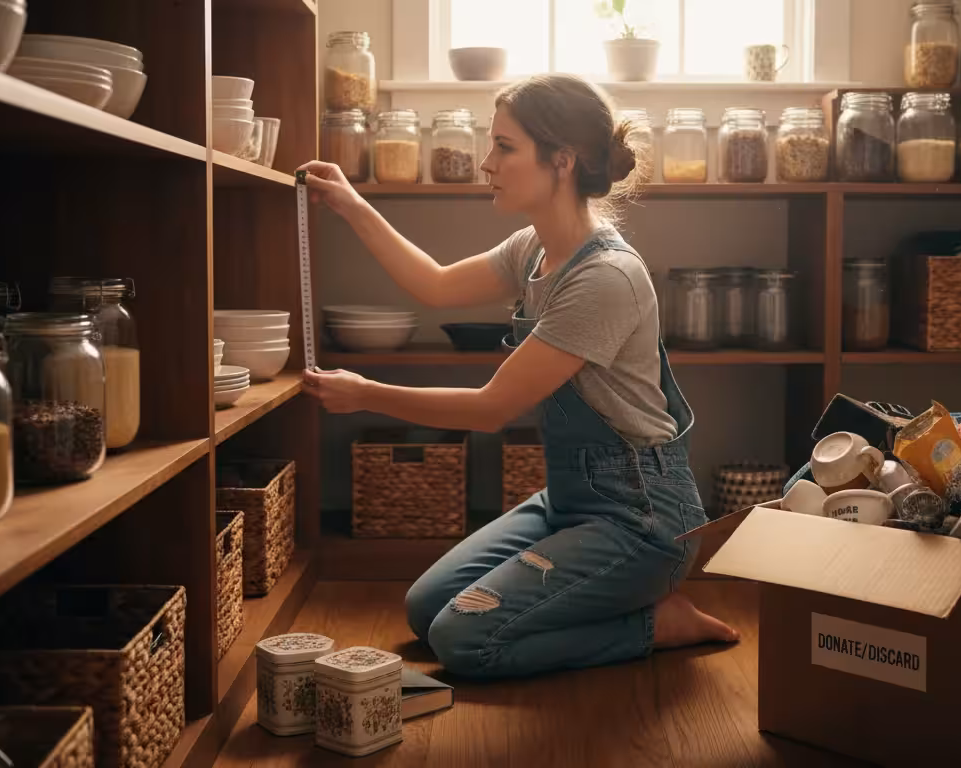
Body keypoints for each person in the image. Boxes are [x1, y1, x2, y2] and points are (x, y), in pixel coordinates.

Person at [297, 73, 737, 679]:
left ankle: (658, 622)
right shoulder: (534, 248)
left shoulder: (604, 277)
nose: (485, 162)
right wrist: (351, 203)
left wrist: (367, 395)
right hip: (568, 500)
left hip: (641, 522)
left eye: (504, 147)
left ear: (562, 159)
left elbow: (489, 409)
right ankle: (604, 601)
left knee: (463, 640)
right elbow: (435, 284)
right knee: (425, 610)